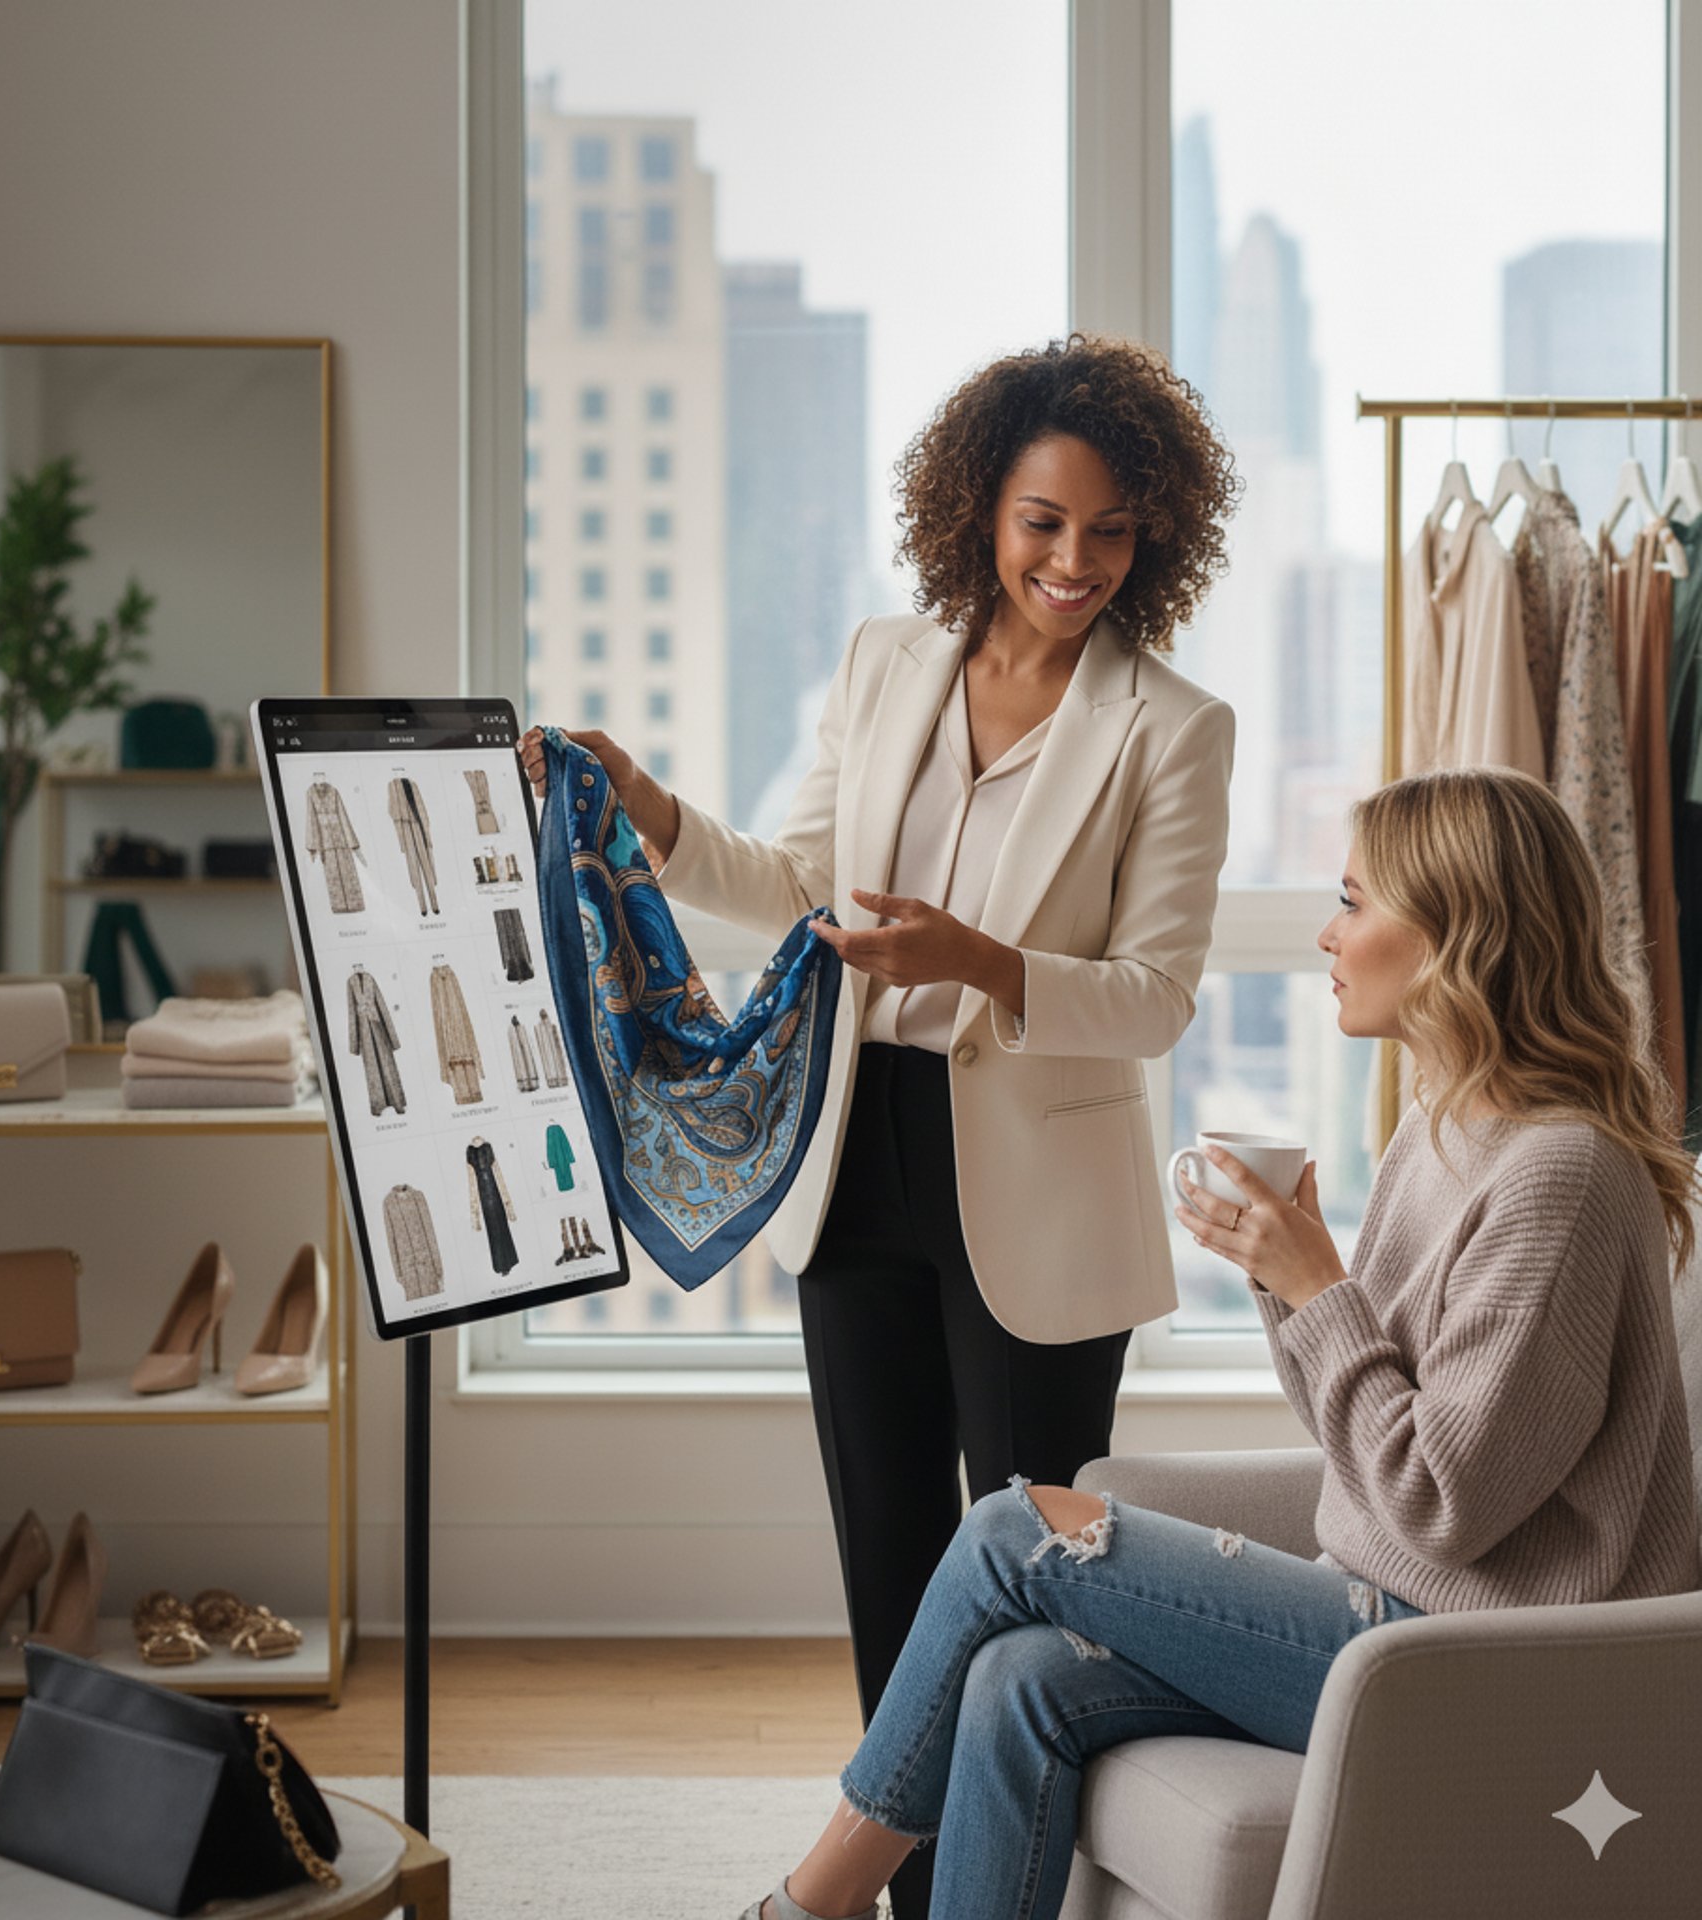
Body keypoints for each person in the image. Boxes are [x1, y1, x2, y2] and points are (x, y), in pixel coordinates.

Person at [521, 333, 1239, 1919]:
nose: (1075, 561)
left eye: (1114, 530)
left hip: (1042, 1193)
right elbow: (789, 885)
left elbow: (1155, 995)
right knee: (896, 1570)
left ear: (1157, 535)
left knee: (1042, 1585)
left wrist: (978, 963)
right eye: (1047, 521)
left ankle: (1017, 1883)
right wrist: (646, 808)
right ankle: (911, 1897)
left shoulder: (1172, 726)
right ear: (983, 507)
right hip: (858, 1160)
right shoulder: (883, 664)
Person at [733, 766, 1702, 1920]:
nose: (1326, 933)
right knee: (1016, 1675)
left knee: (1011, 1532)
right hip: (1387, 1609)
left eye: (1354, 901)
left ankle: (808, 1906)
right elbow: (1363, 1440)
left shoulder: (1559, 1176)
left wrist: (1316, 1283)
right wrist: (1281, 1273)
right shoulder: (1443, 1128)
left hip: (1481, 1663)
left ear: (1458, 937)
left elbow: (1442, 1502)